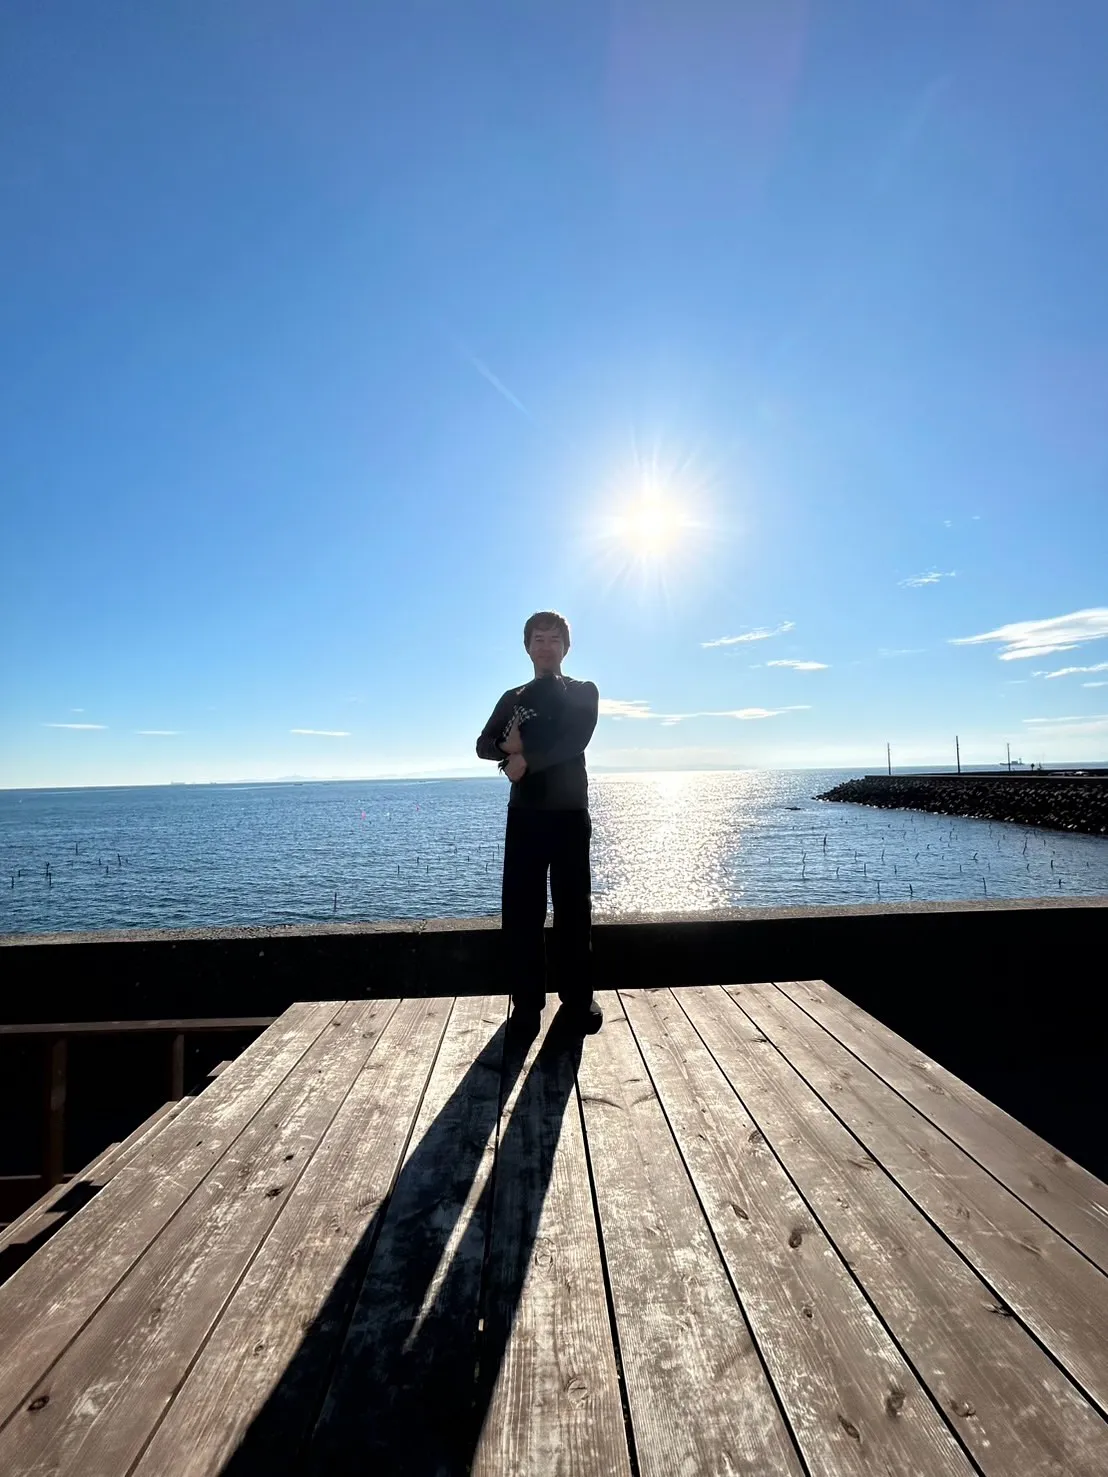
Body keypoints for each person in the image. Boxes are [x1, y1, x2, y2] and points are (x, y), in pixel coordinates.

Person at [476, 610, 602, 1033]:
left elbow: (574, 740)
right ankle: (527, 1004)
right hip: (525, 817)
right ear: (527, 646)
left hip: (569, 813)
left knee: (573, 909)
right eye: (538, 639)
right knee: (522, 912)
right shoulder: (512, 696)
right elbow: (482, 744)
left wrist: (523, 758)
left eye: (553, 639)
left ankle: (578, 1001)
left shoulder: (583, 691)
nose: (546, 645)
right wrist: (501, 747)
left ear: (565, 647)